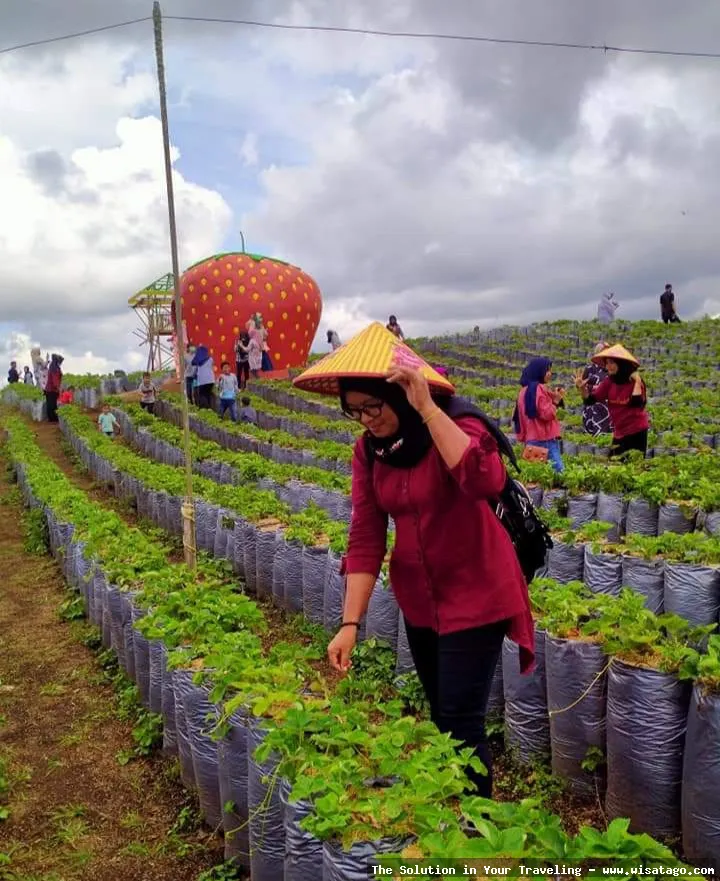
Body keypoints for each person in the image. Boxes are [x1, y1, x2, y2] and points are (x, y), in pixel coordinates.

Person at [294, 323, 534, 800]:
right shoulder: (370, 452)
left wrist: (427, 408)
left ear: (400, 395)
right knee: (442, 714)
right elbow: (366, 534)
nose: (366, 420)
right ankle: (452, 813)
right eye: (354, 411)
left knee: (461, 719)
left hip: (477, 591)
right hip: (421, 602)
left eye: (373, 407)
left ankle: (478, 827)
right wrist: (350, 624)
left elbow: (484, 479)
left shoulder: (456, 424)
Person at [575, 344, 649, 458]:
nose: (607, 366)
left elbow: (637, 402)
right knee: (615, 461)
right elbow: (590, 400)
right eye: (606, 363)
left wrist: (638, 381)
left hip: (636, 430)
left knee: (634, 463)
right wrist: (582, 389)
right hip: (619, 431)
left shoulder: (635, 381)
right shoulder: (609, 382)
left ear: (621, 364)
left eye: (611, 363)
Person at [512, 357, 564, 473]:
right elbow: (546, 414)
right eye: (547, 370)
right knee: (558, 472)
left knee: (535, 474)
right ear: (539, 371)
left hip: (531, 439)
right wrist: (556, 402)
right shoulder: (538, 389)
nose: (550, 373)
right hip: (545, 439)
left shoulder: (523, 391)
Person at [581, 343, 612, 437]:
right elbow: (582, 385)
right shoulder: (589, 369)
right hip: (592, 401)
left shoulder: (611, 369)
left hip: (608, 402)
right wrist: (594, 388)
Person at [192, 345, 215, 409]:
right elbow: (212, 365)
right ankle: (210, 408)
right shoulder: (210, 359)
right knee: (208, 394)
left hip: (202, 381)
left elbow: (192, 362)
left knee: (202, 395)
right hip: (211, 380)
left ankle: (205, 408)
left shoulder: (197, 360)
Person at [44, 354, 63, 423]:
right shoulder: (55, 369)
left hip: (49, 389)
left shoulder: (52, 366)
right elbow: (55, 381)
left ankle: (51, 418)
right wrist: (58, 388)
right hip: (52, 389)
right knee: (53, 405)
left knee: (50, 404)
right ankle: (53, 419)